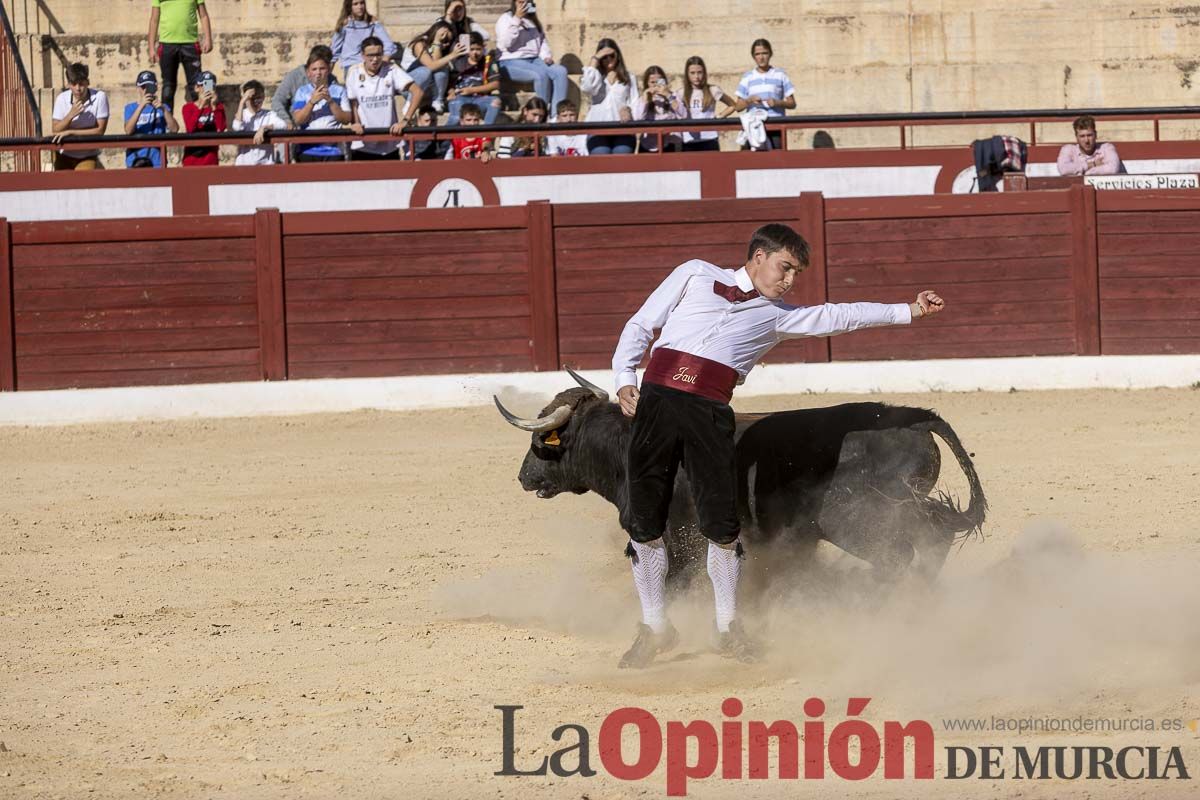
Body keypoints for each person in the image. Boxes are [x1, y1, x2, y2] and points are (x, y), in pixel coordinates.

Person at [611, 223, 945, 668]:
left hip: (709, 414)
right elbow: (642, 323)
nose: (789, 281)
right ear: (758, 257)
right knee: (644, 521)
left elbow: (843, 315)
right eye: (786, 268)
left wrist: (910, 310)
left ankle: (728, 627)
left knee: (721, 524)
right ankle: (654, 627)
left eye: (795, 274)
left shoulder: (781, 315)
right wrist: (623, 379)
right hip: (653, 404)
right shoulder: (694, 273)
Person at [346, 36, 422, 161]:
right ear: (363, 55)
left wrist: (405, 120)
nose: (375, 59)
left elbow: (417, 91)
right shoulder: (354, 72)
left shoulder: (391, 69)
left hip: (390, 142)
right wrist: (356, 123)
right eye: (370, 55)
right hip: (363, 143)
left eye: (378, 54)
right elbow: (354, 103)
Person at [495, 0, 568, 111]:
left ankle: (555, 115)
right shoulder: (506, 18)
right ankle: (541, 113)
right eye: (520, 2)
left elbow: (542, 40)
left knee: (560, 72)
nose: (523, 4)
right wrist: (517, 19)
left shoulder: (532, 20)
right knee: (540, 75)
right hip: (511, 60)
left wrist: (545, 56)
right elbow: (505, 43)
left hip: (534, 59)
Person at [147, 0, 212, 113]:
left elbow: (204, 15)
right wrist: (151, 47)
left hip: (191, 44)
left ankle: (204, 119)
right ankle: (167, 124)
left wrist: (208, 38)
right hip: (167, 45)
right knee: (168, 87)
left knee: (197, 85)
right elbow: (154, 19)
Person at [734, 38, 795, 150]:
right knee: (752, 164)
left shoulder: (780, 74)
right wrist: (749, 100)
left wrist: (777, 102)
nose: (761, 57)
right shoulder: (747, 77)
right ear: (753, 56)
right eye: (758, 54)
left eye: (764, 53)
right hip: (753, 127)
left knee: (776, 163)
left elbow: (792, 103)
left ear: (770, 54)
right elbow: (737, 107)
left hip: (776, 126)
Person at [291, 52, 352, 162]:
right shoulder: (302, 91)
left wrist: (331, 102)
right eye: (314, 69)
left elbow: (347, 119)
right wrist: (311, 102)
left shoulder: (339, 91)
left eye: (322, 68)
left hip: (334, 150)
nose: (318, 73)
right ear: (308, 73)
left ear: (328, 70)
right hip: (308, 150)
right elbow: (298, 120)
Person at [579, 38, 635, 155]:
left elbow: (634, 101)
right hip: (597, 127)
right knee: (601, 157)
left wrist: (628, 109)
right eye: (604, 57)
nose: (608, 59)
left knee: (622, 157)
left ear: (617, 55)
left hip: (622, 128)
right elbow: (587, 88)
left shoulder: (629, 77)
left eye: (611, 55)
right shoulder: (596, 76)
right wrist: (595, 59)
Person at [51, 62, 110, 171]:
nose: (78, 88)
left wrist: (71, 132)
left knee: (84, 183)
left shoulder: (100, 97)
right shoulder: (61, 99)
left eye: (81, 83)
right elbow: (55, 129)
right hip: (64, 153)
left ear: (88, 82)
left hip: (87, 154)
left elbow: (100, 131)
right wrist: (70, 115)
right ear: (68, 84)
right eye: (74, 84)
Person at [402, 21, 466, 114]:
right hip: (410, 88)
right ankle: (410, 102)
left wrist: (438, 45)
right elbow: (431, 66)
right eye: (445, 40)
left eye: (449, 41)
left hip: (428, 89)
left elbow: (437, 63)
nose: (447, 44)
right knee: (425, 71)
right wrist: (438, 42)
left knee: (442, 67)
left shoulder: (439, 48)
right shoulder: (419, 44)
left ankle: (437, 101)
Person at [677, 55, 737, 152]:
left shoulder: (713, 90)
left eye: (699, 72)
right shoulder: (681, 93)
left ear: (704, 73)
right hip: (689, 141)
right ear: (687, 74)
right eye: (692, 73)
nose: (696, 76)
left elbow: (733, 105)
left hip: (710, 139)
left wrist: (719, 116)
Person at [272, 45, 341, 127]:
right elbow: (277, 101)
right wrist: (288, 121)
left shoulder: (332, 80)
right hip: (298, 128)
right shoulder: (294, 76)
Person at [123, 69, 178, 168]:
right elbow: (128, 130)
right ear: (138, 88)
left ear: (156, 87)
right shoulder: (130, 108)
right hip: (135, 158)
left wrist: (164, 110)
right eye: (143, 87)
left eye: (149, 87)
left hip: (157, 159)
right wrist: (141, 106)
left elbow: (174, 129)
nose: (146, 90)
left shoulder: (163, 107)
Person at [446, 32, 501, 126]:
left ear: (483, 48)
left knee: (496, 102)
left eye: (478, 49)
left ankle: (486, 133)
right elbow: (450, 82)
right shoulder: (459, 61)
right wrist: (451, 92)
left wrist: (471, 90)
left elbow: (495, 84)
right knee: (455, 117)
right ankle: (445, 137)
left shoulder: (488, 61)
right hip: (460, 98)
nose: (475, 53)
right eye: (472, 49)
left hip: (480, 98)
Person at [331, 0, 397, 76]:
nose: (360, 7)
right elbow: (335, 49)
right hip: (351, 65)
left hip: (368, 63)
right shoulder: (345, 24)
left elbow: (388, 43)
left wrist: (385, 58)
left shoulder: (371, 21)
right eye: (355, 4)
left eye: (362, 3)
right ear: (349, 7)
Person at [232, 80, 287, 166]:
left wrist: (264, 128)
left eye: (259, 98)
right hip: (244, 164)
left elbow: (283, 125)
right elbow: (237, 127)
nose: (256, 102)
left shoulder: (269, 115)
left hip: (265, 165)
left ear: (263, 97)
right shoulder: (242, 115)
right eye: (252, 98)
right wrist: (242, 102)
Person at [634, 65, 686, 153]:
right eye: (652, 82)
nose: (656, 85)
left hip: (670, 144)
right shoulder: (642, 99)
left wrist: (668, 96)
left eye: (659, 82)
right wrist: (645, 101)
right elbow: (638, 119)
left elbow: (683, 115)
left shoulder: (673, 96)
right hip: (648, 146)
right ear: (647, 84)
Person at [181, 70, 225, 166]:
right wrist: (200, 106)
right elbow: (190, 128)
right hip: (192, 158)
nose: (207, 89)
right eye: (204, 85)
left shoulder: (219, 108)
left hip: (211, 158)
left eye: (211, 86)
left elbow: (220, 129)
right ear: (197, 88)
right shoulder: (188, 107)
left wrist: (214, 106)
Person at [1056, 115, 1122, 176]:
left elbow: (1113, 168)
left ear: (1095, 135)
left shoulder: (1107, 148)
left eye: (1089, 135)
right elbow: (1063, 169)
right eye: (1082, 136)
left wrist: (1087, 173)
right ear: (1076, 137)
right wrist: (1093, 164)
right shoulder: (1068, 149)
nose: (1086, 140)